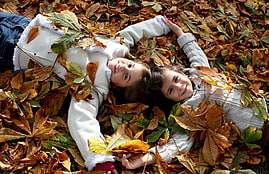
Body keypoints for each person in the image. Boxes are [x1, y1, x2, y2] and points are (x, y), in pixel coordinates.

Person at [115, 17, 269, 170]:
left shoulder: (199, 73)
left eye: (176, 79)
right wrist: (142, 160)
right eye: (171, 91)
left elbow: (194, 52)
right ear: (169, 99)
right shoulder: (188, 112)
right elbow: (176, 145)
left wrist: (179, 31)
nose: (180, 86)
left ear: (180, 73)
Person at [0, 12, 171, 173]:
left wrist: (100, 158)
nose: (123, 66)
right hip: (28, 24)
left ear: (120, 88)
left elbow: (82, 120)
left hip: (14, 48)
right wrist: (160, 24)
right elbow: (133, 33)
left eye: (125, 76)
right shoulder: (116, 47)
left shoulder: (95, 87)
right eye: (130, 65)